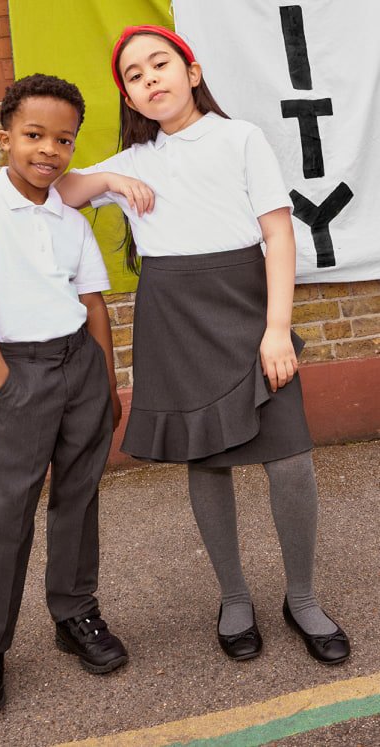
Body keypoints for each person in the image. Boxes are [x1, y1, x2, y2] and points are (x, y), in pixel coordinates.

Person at [55, 26, 351, 665]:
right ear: (130, 100)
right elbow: (59, 189)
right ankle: (234, 597)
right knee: (207, 462)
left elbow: (279, 237)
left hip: (248, 313)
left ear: (191, 72)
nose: (149, 78)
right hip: (174, 319)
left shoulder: (240, 138)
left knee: (291, 460)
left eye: (159, 64)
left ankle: (301, 598)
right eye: (134, 76)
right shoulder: (134, 162)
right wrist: (109, 182)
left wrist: (276, 330)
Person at [0, 73, 141, 718]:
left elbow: (92, 301)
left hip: (79, 364)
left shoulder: (68, 216)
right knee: (6, 515)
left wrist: (105, 379)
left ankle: (75, 615)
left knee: (78, 499)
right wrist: (1, 380)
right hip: (19, 371)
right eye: (34, 135)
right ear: (6, 138)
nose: (49, 150)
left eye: (64, 140)